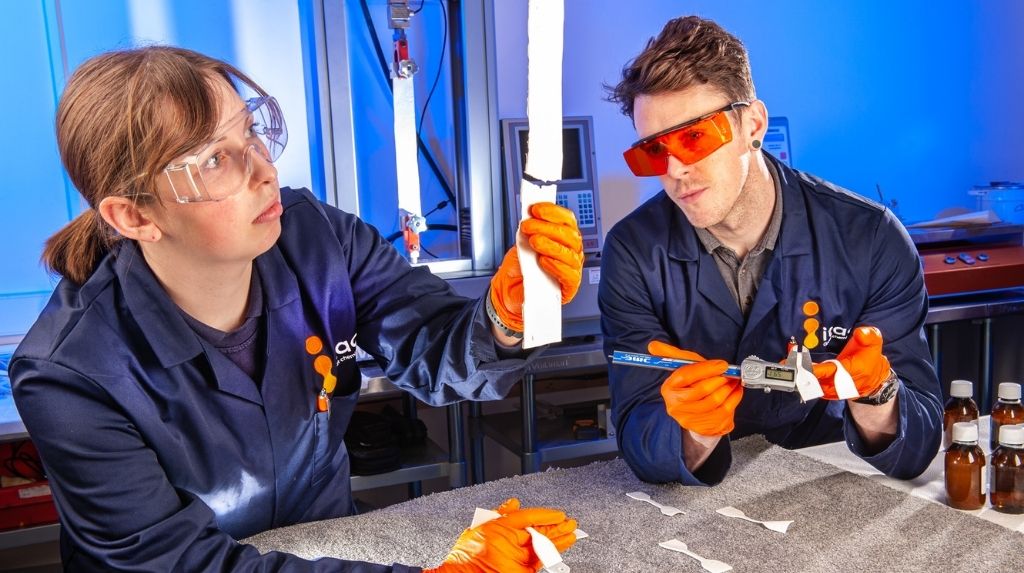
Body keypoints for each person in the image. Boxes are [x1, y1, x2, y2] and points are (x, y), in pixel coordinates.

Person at [10, 46, 581, 572]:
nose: (265, 171)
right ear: (134, 216)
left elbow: (435, 348)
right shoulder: (70, 373)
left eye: (252, 134)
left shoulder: (314, 238)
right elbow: (177, 563)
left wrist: (506, 316)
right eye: (214, 160)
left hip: (329, 544)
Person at [599, 16, 942, 486]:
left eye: (695, 137)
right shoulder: (633, 252)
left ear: (753, 124)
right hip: (696, 502)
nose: (675, 170)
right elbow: (638, 430)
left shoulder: (871, 238)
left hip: (831, 482)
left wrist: (876, 392)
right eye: (654, 152)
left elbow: (918, 448)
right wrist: (695, 431)